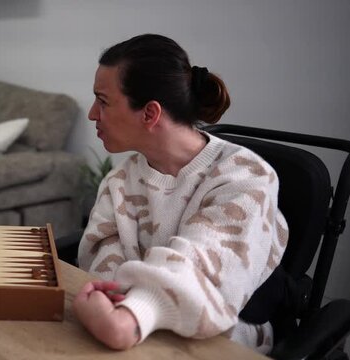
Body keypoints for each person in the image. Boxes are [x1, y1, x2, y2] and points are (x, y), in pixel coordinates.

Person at [72, 34, 288, 354]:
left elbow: (201, 268)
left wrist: (130, 319)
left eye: (103, 101)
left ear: (150, 114)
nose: (92, 114)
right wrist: (117, 311)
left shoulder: (246, 177)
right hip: (130, 325)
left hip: (224, 338)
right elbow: (104, 268)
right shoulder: (119, 181)